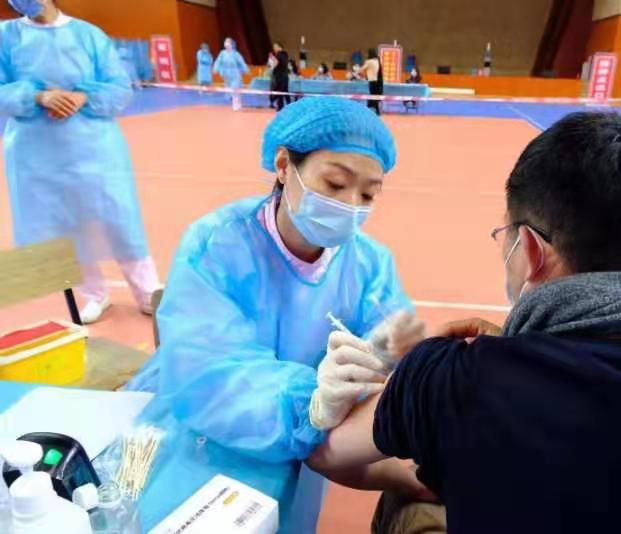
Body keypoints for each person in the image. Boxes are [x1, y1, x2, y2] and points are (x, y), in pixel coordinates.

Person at [308, 112, 621, 534]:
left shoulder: (458, 380)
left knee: (412, 501)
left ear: (529, 248)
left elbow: (327, 452)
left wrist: (414, 380)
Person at [126, 96, 426, 532]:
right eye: (335, 184)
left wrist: (387, 358)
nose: (350, 205)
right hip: (206, 415)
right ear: (284, 166)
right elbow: (206, 368)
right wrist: (311, 402)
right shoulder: (217, 245)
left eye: (367, 194)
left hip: (306, 426)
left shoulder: (369, 264)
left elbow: (389, 355)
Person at [0, 0, 159, 323]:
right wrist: (37, 96)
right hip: (35, 153)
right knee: (64, 226)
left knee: (118, 216)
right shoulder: (6, 36)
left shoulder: (88, 35)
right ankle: (94, 293)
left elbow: (119, 86)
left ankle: (147, 290)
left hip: (95, 147)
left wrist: (83, 96)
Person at [213, 37, 249, 111]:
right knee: (230, 91)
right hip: (226, 75)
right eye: (225, 42)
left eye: (228, 42)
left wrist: (245, 69)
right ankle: (236, 102)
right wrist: (216, 69)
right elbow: (218, 61)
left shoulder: (236, 54)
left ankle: (236, 105)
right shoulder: (222, 53)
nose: (226, 43)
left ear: (231, 44)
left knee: (235, 89)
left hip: (235, 74)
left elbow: (241, 62)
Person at [363, 48, 384, 115]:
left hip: (374, 81)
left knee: (373, 96)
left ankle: (371, 110)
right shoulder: (377, 59)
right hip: (378, 81)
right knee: (375, 96)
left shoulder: (372, 60)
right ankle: (376, 111)